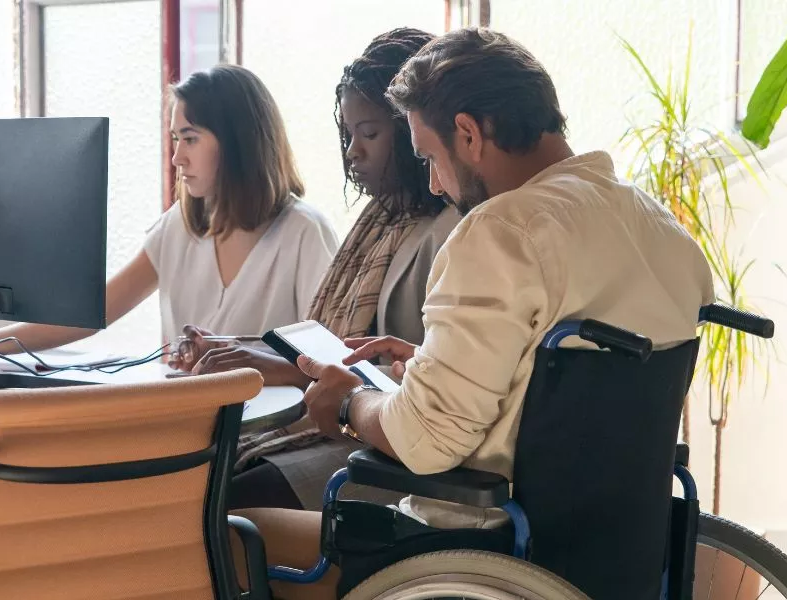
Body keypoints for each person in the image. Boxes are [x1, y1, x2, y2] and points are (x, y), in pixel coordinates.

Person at [230, 28, 715, 600]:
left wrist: (347, 404)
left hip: (474, 553)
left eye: (431, 157)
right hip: (611, 552)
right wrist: (430, 365)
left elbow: (426, 442)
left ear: (467, 133)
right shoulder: (663, 232)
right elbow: (563, 388)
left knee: (229, 535)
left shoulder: (500, 232)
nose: (434, 182)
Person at [182, 28, 461, 512]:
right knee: (195, 478)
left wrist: (292, 372)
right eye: (349, 134)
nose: (354, 151)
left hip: (383, 450)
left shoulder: (449, 231)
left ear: (417, 128)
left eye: (370, 134)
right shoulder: (382, 219)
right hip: (353, 429)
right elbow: (334, 342)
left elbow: (416, 382)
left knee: (215, 500)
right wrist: (242, 349)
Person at [0, 65, 339, 358]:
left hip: (265, 433)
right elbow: (91, 315)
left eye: (190, 139)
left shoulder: (303, 232)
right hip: (191, 426)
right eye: (175, 140)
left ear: (239, 141)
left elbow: (326, 358)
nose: (177, 159)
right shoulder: (180, 228)